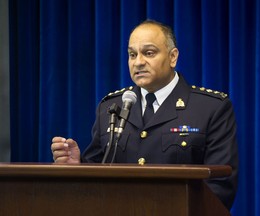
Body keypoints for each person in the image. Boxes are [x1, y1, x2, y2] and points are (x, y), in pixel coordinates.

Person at [51, 20, 238, 210]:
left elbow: (220, 186)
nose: (138, 62)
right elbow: (99, 173)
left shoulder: (210, 108)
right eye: (132, 55)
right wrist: (78, 165)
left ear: (173, 57)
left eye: (149, 53)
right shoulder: (111, 107)